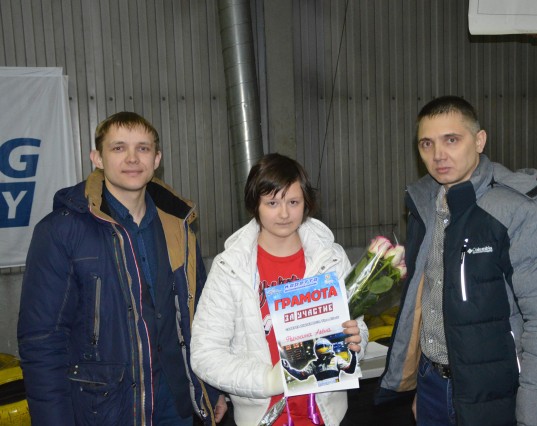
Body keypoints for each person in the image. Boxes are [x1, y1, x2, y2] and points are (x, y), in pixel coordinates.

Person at [17, 111, 227, 425]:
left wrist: (210, 388)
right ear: (97, 158)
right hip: (107, 409)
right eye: (118, 148)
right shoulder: (60, 231)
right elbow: (42, 342)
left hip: (175, 404)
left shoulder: (179, 225)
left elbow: (199, 317)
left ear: (157, 159)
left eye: (142, 148)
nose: (132, 158)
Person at [376, 96, 537, 425]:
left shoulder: (518, 210)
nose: (438, 155)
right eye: (427, 144)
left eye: (451, 140)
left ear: (479, 141)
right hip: (432, 385)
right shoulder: (425, 204)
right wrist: (422, 386)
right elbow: (425, 303)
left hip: (494, 394)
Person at [190, 153, 368, 426]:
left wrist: (357, 342)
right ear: (255, 205)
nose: (284, 214)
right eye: (272, 203)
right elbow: (205, 355)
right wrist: (267, 380)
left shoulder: (330, 258)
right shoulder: (230, 267)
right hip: (263, 417)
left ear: (306, 203)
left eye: (293, 202)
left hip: (326, 415)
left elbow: (357, 326)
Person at [281, 337, 357, 386]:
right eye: (320, 347)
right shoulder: (313, 364)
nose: (322, 349)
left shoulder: (336, 359)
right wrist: (288, 368)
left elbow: (350, 370)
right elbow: (301, 376)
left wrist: (353, 355)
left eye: (324, 347)